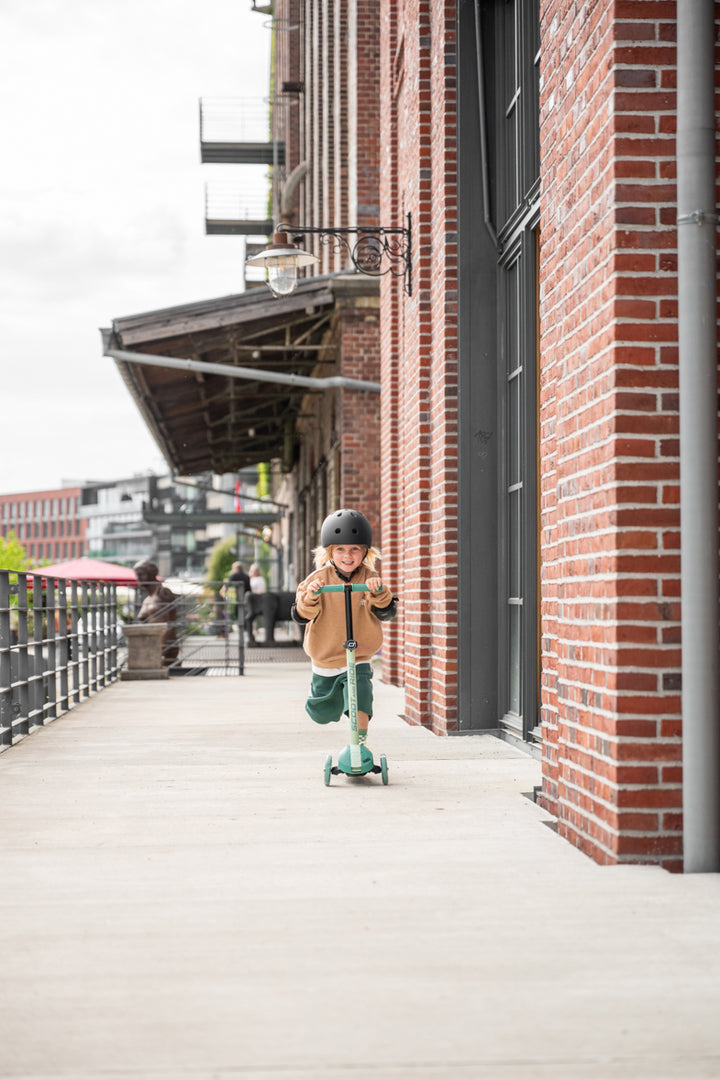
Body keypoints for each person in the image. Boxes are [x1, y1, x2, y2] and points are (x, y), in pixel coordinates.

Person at [292, 508, 398, 747]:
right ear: (329, 551)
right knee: (322, 713)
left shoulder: (369, 578)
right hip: (326, 656)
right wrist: (311, 597)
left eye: (354, 549)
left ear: (365, 552)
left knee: (361, 700)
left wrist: (379, 592)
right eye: (340, 549)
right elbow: (300, 614)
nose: (347, 555)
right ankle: (331, 703)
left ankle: (358, 748)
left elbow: (386, 612)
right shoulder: (317, 579)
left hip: (358, 656)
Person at [133, 560, 179, 665]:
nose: (138, 578)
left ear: (152, 574)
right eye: (137, 575)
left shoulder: (163, 593)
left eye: (141, 574)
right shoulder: (147, 599)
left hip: (164, 648)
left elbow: (171, 621)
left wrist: (165, 648)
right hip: (150, 645)